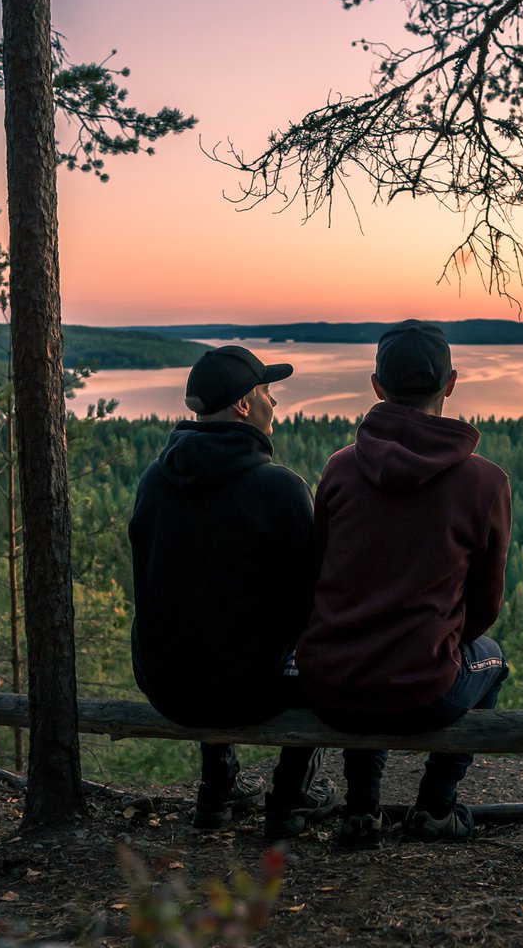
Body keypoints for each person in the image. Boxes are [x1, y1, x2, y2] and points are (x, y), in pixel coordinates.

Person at [297, 320, 511, 848]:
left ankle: (362, 812)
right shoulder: (485, 481)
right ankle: (436, 808)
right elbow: (484, 606)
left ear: (376, 386)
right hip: (424, 691)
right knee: (493, 656)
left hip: (332, 685)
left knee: (366, 650)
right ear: (451, 383)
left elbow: (318, 577)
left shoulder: (340, 471)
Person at [129, 344, 336, 837]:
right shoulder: (278, 489)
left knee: (199, 616)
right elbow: (311, 605)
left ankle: (217, 786)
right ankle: (290, 796)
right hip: (245, 692)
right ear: (244, 404)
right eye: (267, 391)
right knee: (321, 649)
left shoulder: (155, 481)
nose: (274, 403)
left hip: (163, 684)